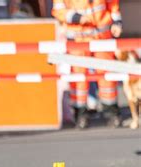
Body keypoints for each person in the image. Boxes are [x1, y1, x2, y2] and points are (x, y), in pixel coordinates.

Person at [52, 0, 122, 129]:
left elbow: (113, 4)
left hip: (102, 36)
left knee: (106, 76)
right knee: (78, 78)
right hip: (78, 38)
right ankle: (80, 115)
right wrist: (77, 17)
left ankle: (112, 112)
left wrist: (117, 22)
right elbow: (58, 10)